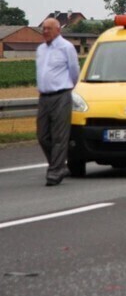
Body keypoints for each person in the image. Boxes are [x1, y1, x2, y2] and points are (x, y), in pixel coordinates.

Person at [36, 18, 80, 186]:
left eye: (48, 28)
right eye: (44, 28)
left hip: (61, 95)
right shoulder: (41, 49)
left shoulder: (66, 47)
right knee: (43, 136)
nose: (45, 31)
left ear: (58, 30)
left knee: (59, 137)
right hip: (44, 97)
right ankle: (59, 164)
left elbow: (74, 71)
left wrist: (66, 87)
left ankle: (55, 171)